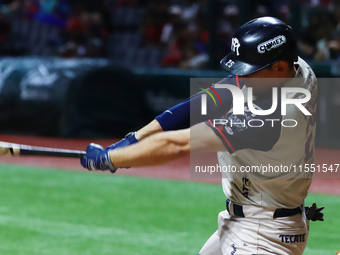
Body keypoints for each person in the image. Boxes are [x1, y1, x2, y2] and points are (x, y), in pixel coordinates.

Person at [80, 17, 323, 255]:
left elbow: (177, 145)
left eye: (250, 71)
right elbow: (203, 103)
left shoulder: (269, 118)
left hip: (262, 235)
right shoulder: (296, 68)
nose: (242, 79)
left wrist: (112, 158)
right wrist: (134, 139)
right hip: (251, 220)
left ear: (279, 67)